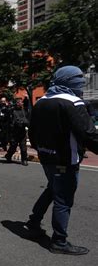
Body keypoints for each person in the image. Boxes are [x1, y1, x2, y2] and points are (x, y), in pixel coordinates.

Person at [25, 65, 98, 255]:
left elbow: (32, 133)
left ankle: (33, 222)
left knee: (53, 188)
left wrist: (42, 150)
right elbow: (89, 134)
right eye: (79, 80)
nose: (81, 84)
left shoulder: (41, 102)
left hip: (46, 157)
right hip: (65, 159)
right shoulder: (73, 102)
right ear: (70, 82)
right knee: (63, 199)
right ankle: (59, 241)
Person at [5, 99, 29, 166]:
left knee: (23, 147)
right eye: (19, 102)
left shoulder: (24, 111)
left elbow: (27, 120)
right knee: (13, 147)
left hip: (22, 132)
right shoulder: (12, 111)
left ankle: (24, 160)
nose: (21, 103)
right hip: (14, 133)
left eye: (21, 102)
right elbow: (8, 118)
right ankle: (8, 156)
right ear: (16, 103)